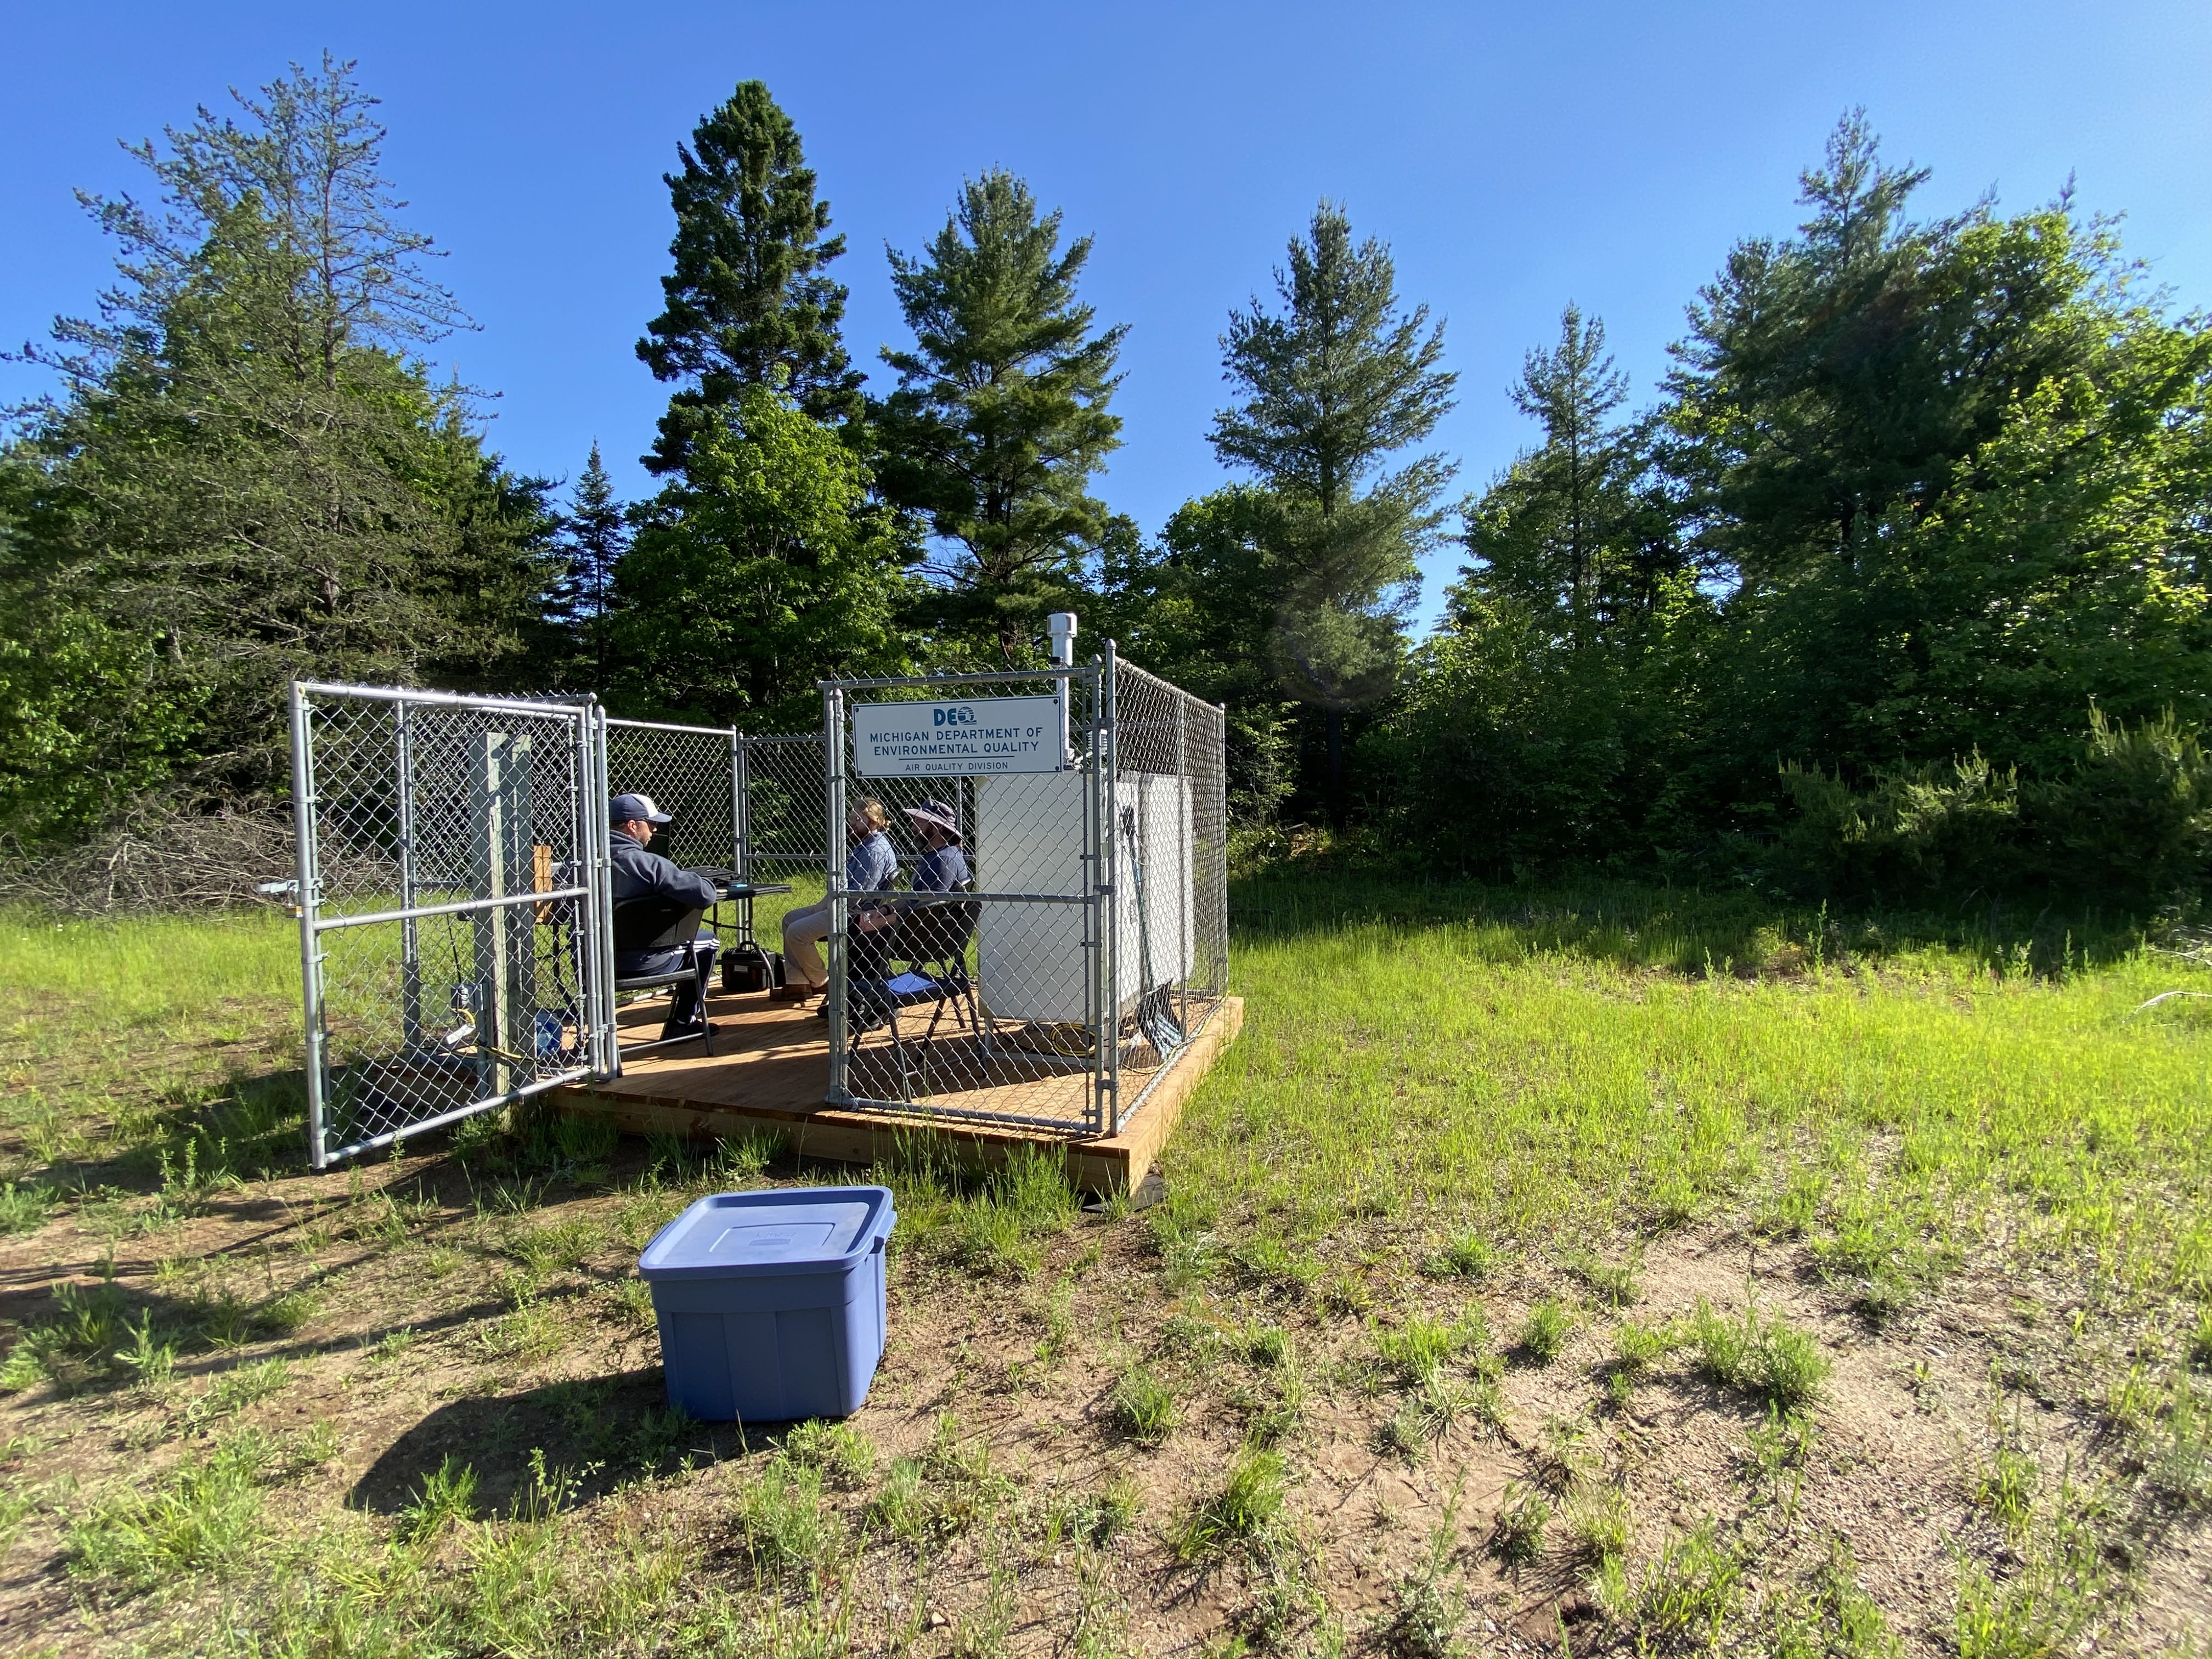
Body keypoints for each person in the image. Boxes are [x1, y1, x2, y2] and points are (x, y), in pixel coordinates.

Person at [609, 792, 721, 1040]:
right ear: (632, 826)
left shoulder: (581, 864)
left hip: (590, 963)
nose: (655, 829)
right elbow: (706, 895)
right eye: (650, 824)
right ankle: (682, 1022)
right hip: (644, 963)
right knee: (709, 941)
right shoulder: (649, 863)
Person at [779, 797, 898, 996]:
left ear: (874, 822)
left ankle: (821, 980)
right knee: (790, 919)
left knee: (796, 933)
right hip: (841, 906)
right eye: (851, 817)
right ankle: (797, 982)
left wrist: (827, 907)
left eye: (857, 819)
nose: (851, 823)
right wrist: (823, 904)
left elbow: (856, 896)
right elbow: (845, 884)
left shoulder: (874, 851)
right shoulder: (865, 845)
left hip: (854, 915)